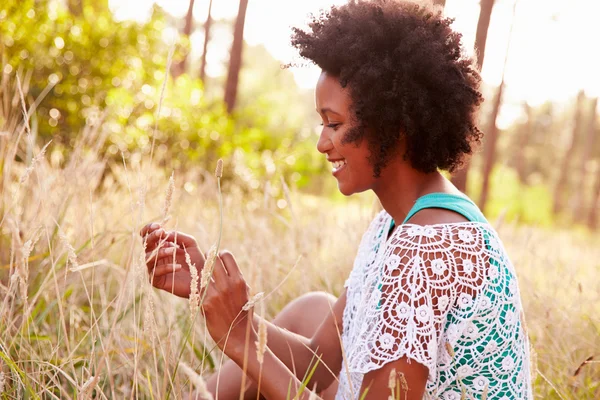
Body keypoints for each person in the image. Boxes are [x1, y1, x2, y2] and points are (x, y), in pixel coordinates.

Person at [140, 0, 533, 398]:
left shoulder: (427, 247)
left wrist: (240, 339)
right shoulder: (398, 223)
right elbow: (317, 362)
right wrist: (216, 296)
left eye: (335, 124)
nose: (321, 143)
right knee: (311, 309)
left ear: (394, 124)